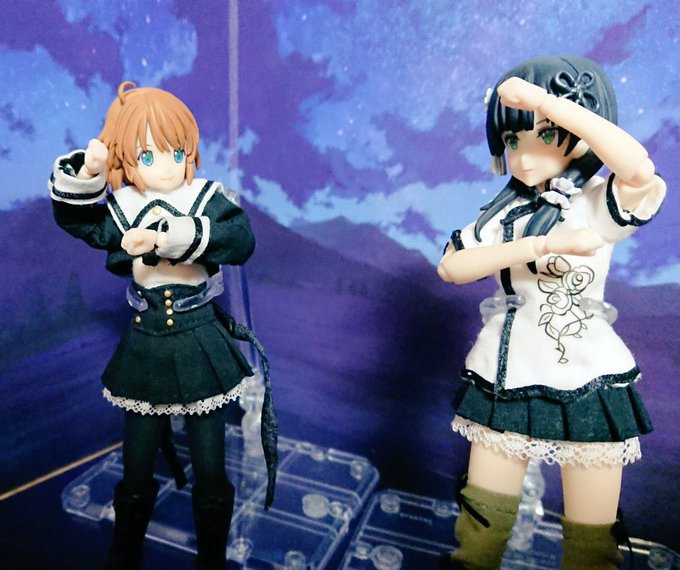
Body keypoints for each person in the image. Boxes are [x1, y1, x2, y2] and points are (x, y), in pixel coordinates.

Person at [437, 56, 666, 569]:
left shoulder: (596, 201)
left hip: (587, 374)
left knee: (591, 542)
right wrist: (539, 245)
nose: (523, 156)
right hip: (505, 373)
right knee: (480, 528)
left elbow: (638, 168)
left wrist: (545, 102)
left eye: (544, 136)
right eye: (512, 140)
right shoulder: (502, 214)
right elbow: (451, 267)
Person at [49, 81, 277, 570]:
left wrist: (173, 238)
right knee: (137, 463)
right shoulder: (125, 205)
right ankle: (124, 551)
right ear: (127, 160)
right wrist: (88, 173)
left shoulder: (206, 197)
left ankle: (211, 558)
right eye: (148, 156)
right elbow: (80, 222)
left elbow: (240, 240)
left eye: (176, 152)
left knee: (210, 465)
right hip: (146, 345)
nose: (168, 166)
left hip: (199, 339)